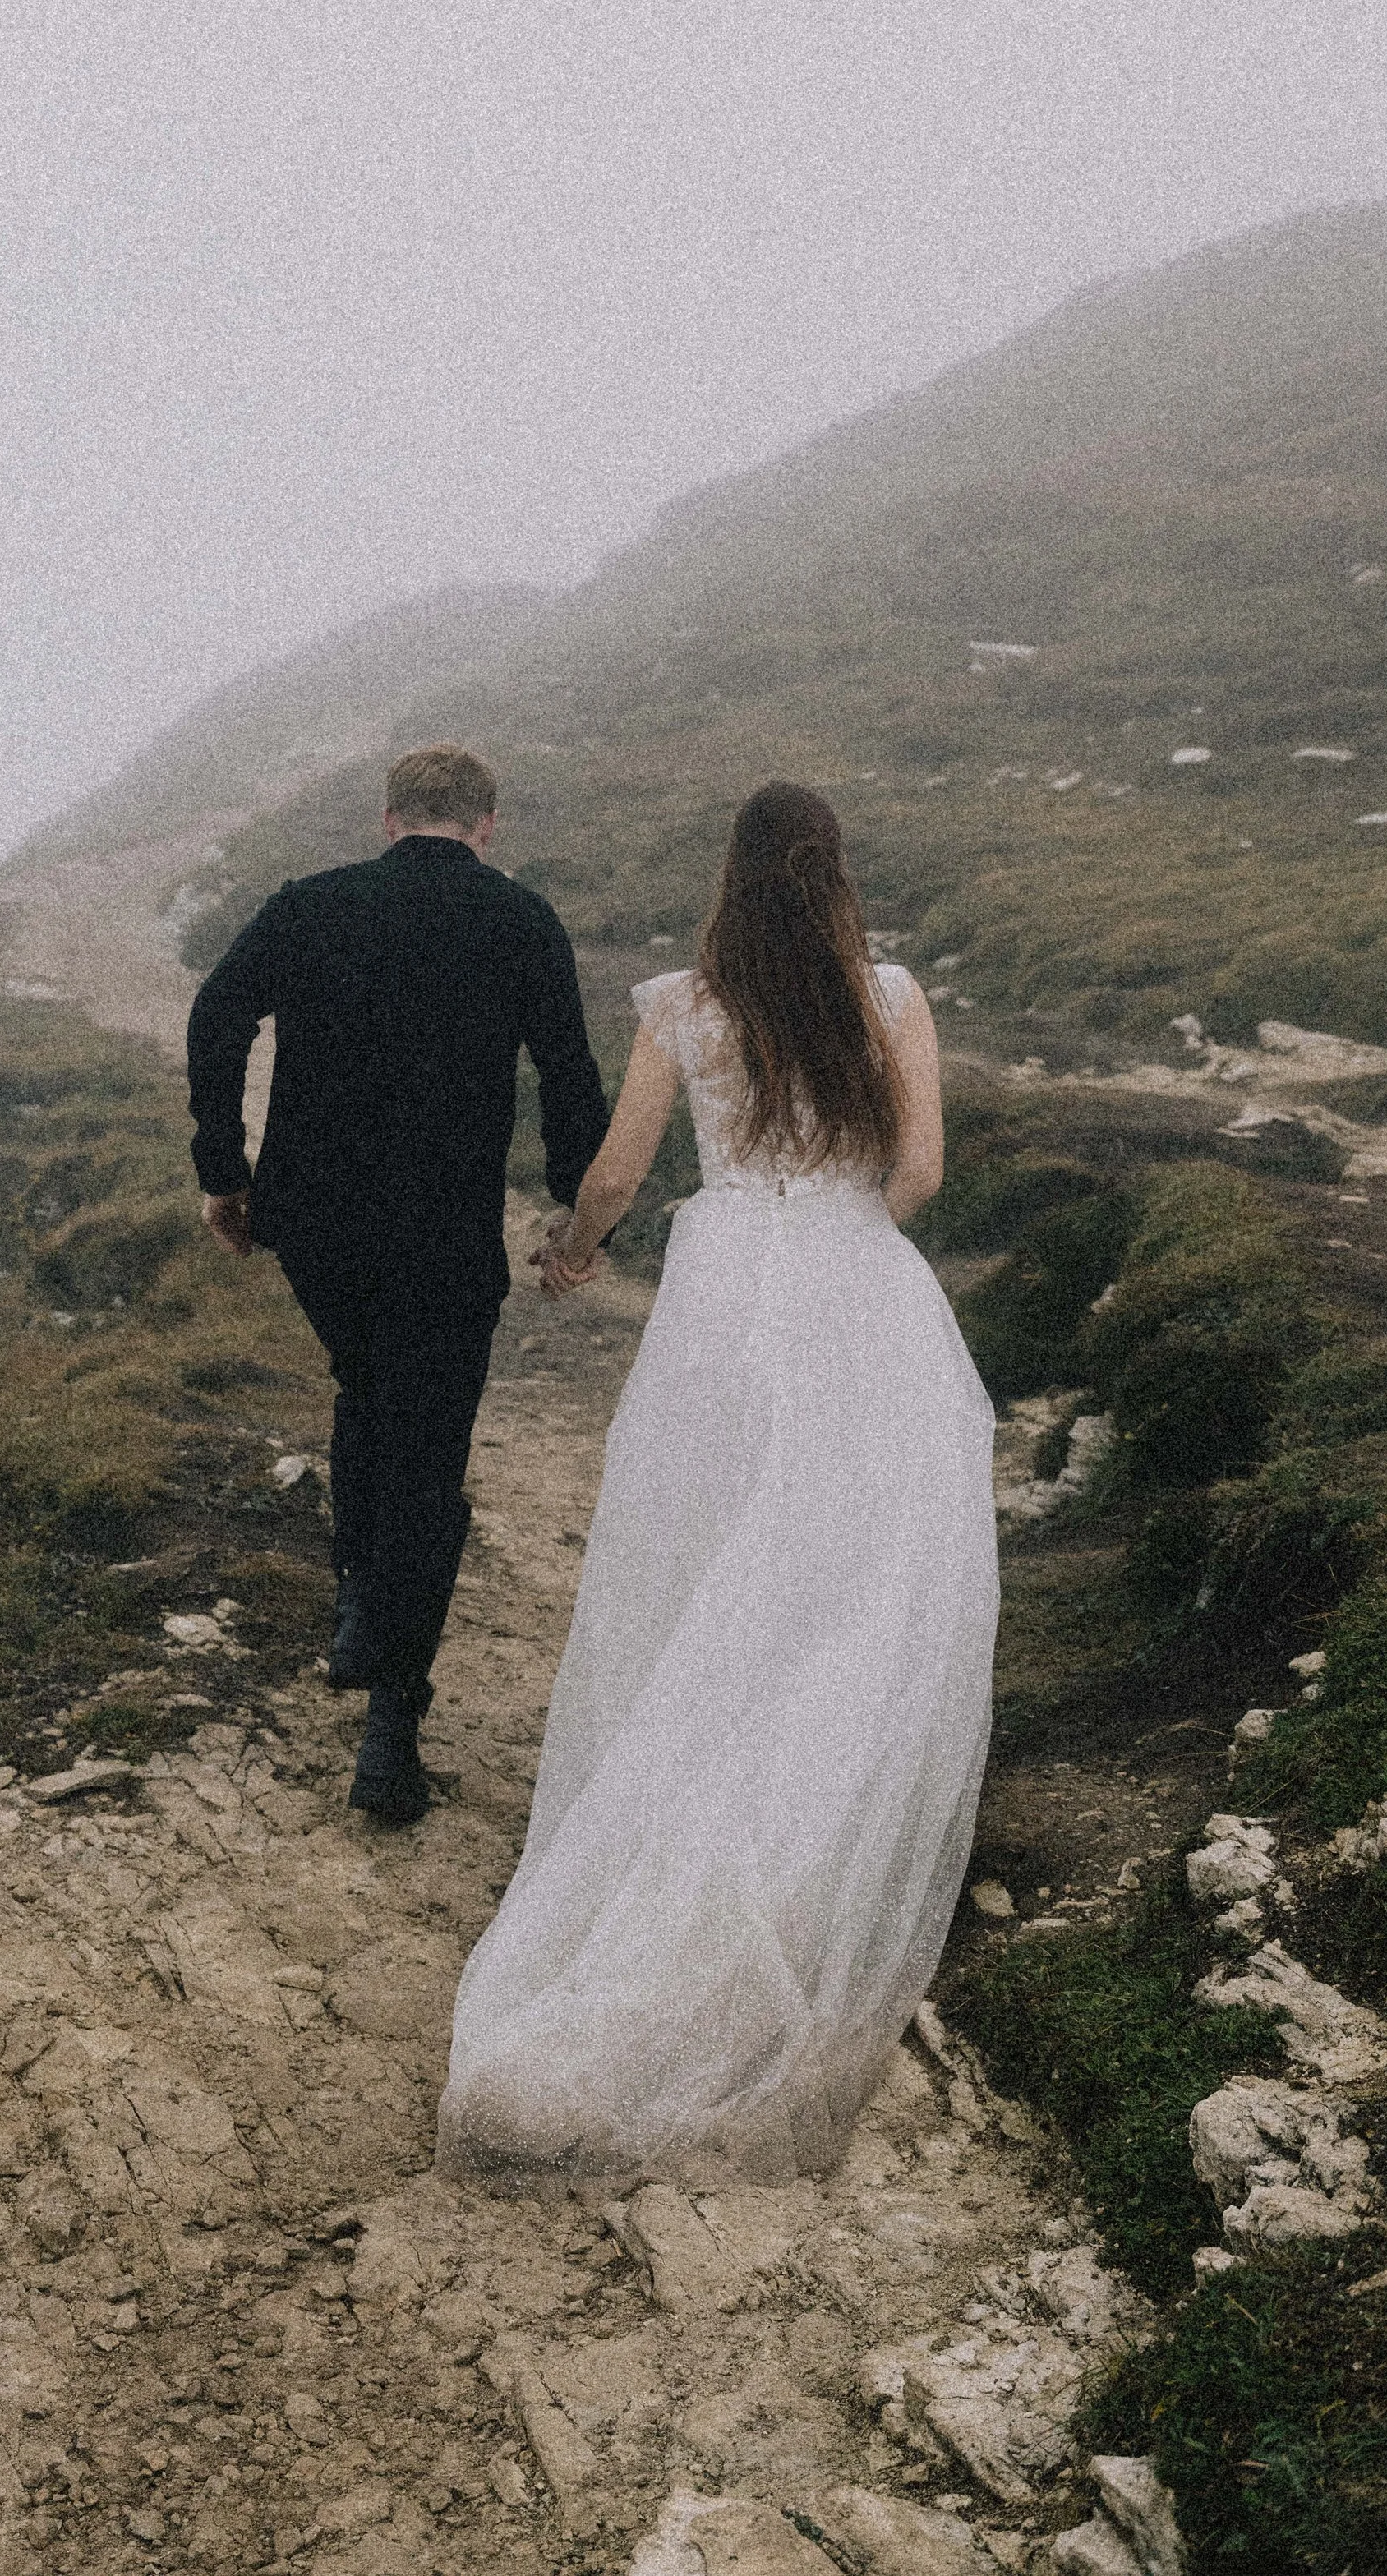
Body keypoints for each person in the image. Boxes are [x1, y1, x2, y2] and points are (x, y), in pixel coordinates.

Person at [436, 780, 998, 2182]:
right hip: (856, 1284)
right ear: (837, 876)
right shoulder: (891, 996)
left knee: (704, 1558)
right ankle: (812, 1823)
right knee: (860, 1568)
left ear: (733, 880)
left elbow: (621, 1173)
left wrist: (572, 1252)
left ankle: (678, 1801)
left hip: (726, 1289)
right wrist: (843, 1215)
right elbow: (919, 1170)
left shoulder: (685, 1006)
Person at [187, 742, 611, 1826]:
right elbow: (568, 1073)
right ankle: (391, 1727)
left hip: (317, 1226)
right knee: (427, 1451)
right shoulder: (521, 922)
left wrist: (223, 1173)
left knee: (365, 1390)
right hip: (442, 1234)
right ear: (487, 824)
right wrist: (574, 1211)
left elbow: (216, 1015)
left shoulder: (310, 904)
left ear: (387, 820)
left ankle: (358, 1601)